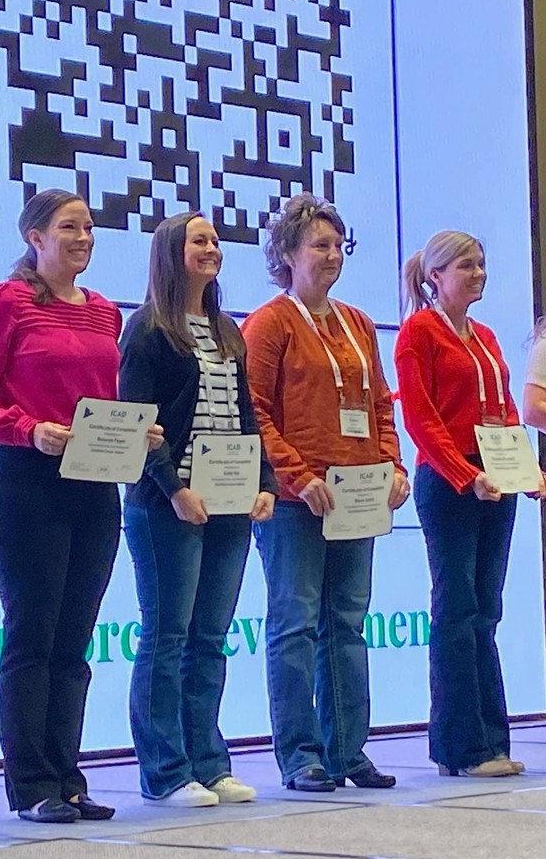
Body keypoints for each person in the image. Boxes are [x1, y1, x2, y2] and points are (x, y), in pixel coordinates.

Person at [0, 188, 163, 823]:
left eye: (90, 228)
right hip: (25, 485)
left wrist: (136, 431)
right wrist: (26, 428)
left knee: (74, 641)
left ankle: (68, 775)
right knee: (32, 635)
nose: (84, 238)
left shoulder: (105, 312)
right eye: (69, 227)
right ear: (34, 237)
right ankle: (30, 783)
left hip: (94, 486)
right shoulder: (6, 301)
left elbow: (102, 399)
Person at [242, 193, 408, 792]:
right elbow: (254, 412)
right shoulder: (268, 323)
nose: (334, 254)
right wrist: (296, 476)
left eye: (340, 245)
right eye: (320, 244)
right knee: (295, 624)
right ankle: (301, 755)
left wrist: (393, 465)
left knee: (347, 623)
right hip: (296, 500)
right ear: (287, 253)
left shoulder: (359, 322)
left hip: (357, 493)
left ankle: (349, 750)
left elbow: (380, 404)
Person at [118, 212, 277, 808]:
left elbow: (247, 417)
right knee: (167, 635)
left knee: (210, 637)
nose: (213, 248)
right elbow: (139, 423)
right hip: (167, 505)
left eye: (215, 241)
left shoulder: (229, 332)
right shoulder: (147, 331)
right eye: (199, 240)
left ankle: (210, 761)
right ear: (170, 252)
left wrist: (265, 482)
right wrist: (173, 489)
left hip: (230, 502)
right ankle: (165, 770)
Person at [397, 230, 539, 777]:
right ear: (436, 276)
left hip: (494, 487)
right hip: (451, 486)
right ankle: (461, 747)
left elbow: (503, 411)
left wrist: (523, 472)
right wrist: (465, 475)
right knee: (455, 611)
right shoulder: (419, 332)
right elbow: (421, 419)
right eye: (465, 265)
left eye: (481, 264)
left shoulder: (484, 336)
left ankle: (492, 739)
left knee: (486, 611)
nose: (478, 273)